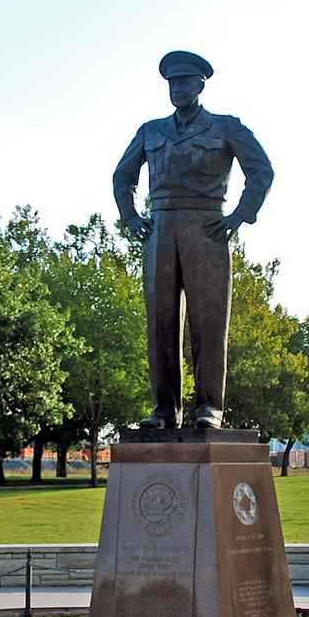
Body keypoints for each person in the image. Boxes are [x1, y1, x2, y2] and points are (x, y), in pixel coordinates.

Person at [113, 50, 273, 429]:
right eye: (172, 83)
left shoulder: (226, 127)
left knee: (209, 322)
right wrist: (131, 217)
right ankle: (164, 409)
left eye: (184, 82)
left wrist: (238, 216)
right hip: (160, 230)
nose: (177, 89)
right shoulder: (151, 131)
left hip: (207, 229)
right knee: (160, 324)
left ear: (201, 85)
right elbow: (123, 176)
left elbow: (261, 170)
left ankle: (209, 407)